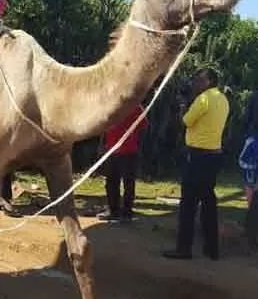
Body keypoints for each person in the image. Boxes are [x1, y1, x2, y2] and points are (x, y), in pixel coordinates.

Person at [163, 68, 229, 261]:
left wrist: (184, 106)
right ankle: (212, 248)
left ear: (209, 81)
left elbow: (186, 121)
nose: (196, 83)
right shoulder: (223, 99)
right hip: (214, 155)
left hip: (198, 155)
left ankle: (184, 248)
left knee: (188, 203)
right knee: (208, 201)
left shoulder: (203, 99)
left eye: (200, 80)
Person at [97, 105, 148, 221]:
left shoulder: (133, 106)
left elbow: (143, 125)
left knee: (125, 182)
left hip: (127, 150)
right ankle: (117, 211)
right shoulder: (113, 105)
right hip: (114, 150)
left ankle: (125, 212)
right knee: (114, 182)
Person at [240, 90, 258, 208]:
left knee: (250, 180)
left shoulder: (255, 95)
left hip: (254, 139)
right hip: (253, 137)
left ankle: (252, 213)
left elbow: (247, 118)